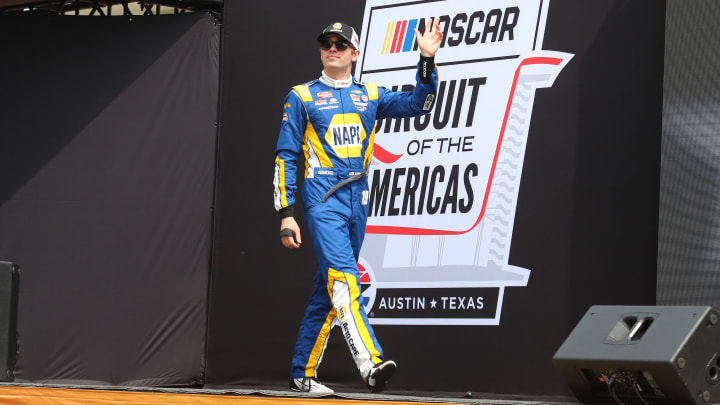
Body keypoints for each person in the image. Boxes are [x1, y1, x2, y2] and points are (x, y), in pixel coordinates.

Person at [273, 19, 442, 394]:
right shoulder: (300, 95)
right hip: (323, 198)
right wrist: (286, 213)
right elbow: (286, 155)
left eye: (339, 43)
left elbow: (420, 104)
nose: (332, 48)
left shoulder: (371, 94)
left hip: (358, 200)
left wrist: (427, 60)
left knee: (328, 288)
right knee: (347, 282)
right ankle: (371, 363)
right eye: (326, 43)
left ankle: (302, 373)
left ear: (354, 52)